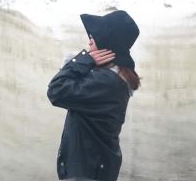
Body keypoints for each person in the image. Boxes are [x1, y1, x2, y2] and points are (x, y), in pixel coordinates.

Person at [47, 10, 140, 181]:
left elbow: (56, 91)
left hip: (87, 170)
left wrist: (82, 60)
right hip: (96, 166)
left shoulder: (105, 82)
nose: (90, 39)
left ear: (108, 41)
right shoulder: (112, 78)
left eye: (95, 35)